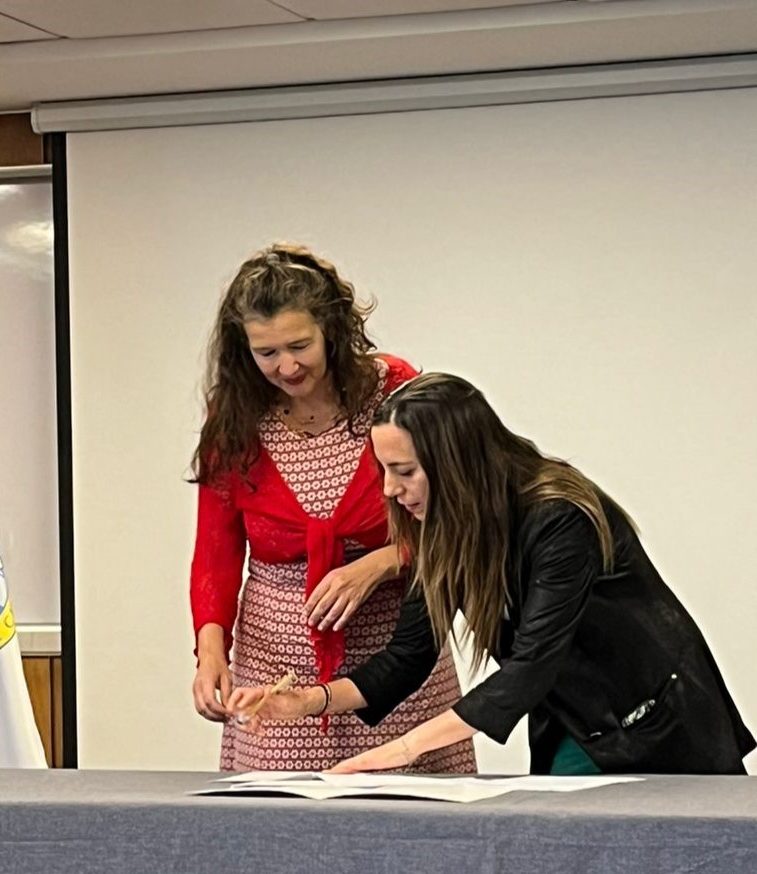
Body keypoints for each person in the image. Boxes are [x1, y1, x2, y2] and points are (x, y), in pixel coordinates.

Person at [230, 372, 755, 774]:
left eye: (405, 471)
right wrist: (309, 700)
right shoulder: (437, 525)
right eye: (383, 471)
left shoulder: (560, 515)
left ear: (457, 462)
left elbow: (529, 666)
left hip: (663, 727)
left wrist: (405, 748)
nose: (389, 490)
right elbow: (406, 658)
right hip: (576, 723)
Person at [190, 245, 475, 773]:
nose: (287, 366)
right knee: (283, 832)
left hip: (398, 648)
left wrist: (381, 563)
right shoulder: (234, 417)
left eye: (300, 345)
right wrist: (210, 653)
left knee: (410, 825)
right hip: (277, 657)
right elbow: (216, 553)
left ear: (331, 330)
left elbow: (455, 514)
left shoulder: (391, 389)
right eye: (266, 352)